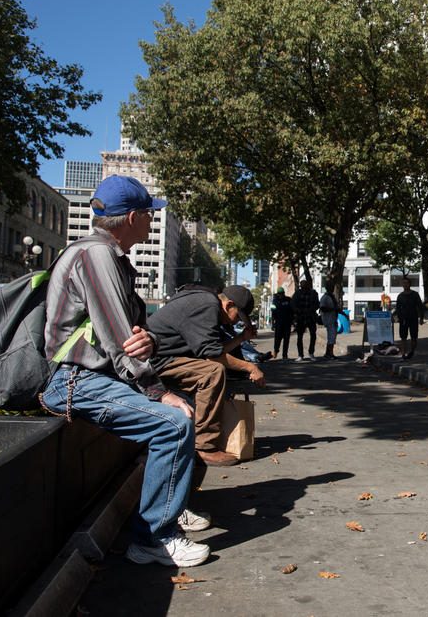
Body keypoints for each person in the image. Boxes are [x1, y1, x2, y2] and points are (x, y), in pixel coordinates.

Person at [41, 174, 210, 567]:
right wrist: (156, 390)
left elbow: (135, 335)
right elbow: (119, 340)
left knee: (180, 408)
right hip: (75, 382)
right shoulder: (94, 256)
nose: (153, 221)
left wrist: (149, 340)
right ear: (133, 217)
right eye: (150, 214)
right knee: (173, 421)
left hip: (96, 378)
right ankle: (154, 537)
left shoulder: (109, 257)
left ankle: (168, 506)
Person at [147, 285, 266, 467]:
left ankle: (201, 438)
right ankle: (203, 447)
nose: (235, 323)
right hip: (156, 361)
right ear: (228, 305)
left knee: (213, 368)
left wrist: (241, 339)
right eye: (237, 316)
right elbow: (213, 356)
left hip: (163, 358)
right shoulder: (207, 305)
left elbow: (213, 350)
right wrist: (250, 367)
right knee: (212, 372)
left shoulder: (207, 301)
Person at [395, 277, 424, 360]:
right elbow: (398, 308)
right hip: (403, 320)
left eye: (407, 283)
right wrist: (399, 318)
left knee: (414, 337)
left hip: (413, 319)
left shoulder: (415, 294)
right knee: (403, 337)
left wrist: (421, 318)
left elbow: (420, 307)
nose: (405, 285)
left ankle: (412, 352)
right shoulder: (400, 296)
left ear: (410, 284)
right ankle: (403, 354)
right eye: (403, 283)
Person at [291, 279, 319, 361]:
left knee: (313, 335)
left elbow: (317, 304)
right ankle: (300, 355)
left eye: (305, 286)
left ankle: (311, 353)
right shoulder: (297, 293)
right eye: (302, 287)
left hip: (310, 317)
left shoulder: (313, 293)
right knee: (299, 337)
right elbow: (292, 304)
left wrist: (311, 309)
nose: (303, 288)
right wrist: (297, 310)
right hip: (301, 317)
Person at [270, 287, 293, 360]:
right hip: (279, 323)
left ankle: (285, 355)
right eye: (279, 294)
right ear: (278, 294)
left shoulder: (288, 300)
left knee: (286, 339)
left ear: (284, 293)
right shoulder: (275, 301)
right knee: (277, 339)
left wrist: (293, 320)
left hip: (287, 323)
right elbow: (273, 313)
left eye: (282, 293)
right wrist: (273, 324)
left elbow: (292, 310)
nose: (281, 295)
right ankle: (276, 351)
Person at [319, 281, 340, 359]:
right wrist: (332, 309)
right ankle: (330, 354)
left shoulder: (332, 296)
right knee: (331, 337)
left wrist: (343, 314)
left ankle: (328, 353)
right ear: (327, 288)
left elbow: (337, 308)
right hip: (328, 319)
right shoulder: (325, 297)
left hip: (333, 318)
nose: (332, 288)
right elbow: (322, 308)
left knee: (332, 336)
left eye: (332, 286)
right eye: (330, 286)